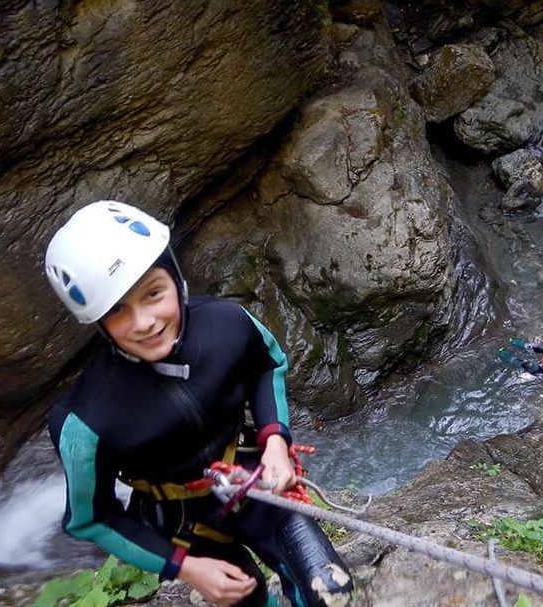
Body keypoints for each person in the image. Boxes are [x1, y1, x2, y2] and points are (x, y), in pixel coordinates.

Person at [44, 200, 353, 607]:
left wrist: (276, 442)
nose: (145, 322)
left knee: (330, 590)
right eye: (117, 310)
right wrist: (184, 568)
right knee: (248, 600)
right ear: (99, 322)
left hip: (254, 479)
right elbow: (92, 518)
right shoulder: (85, 421)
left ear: (176, 279)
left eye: (153, 293)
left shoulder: (226, 323)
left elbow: (268, 364)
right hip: (183, 523)